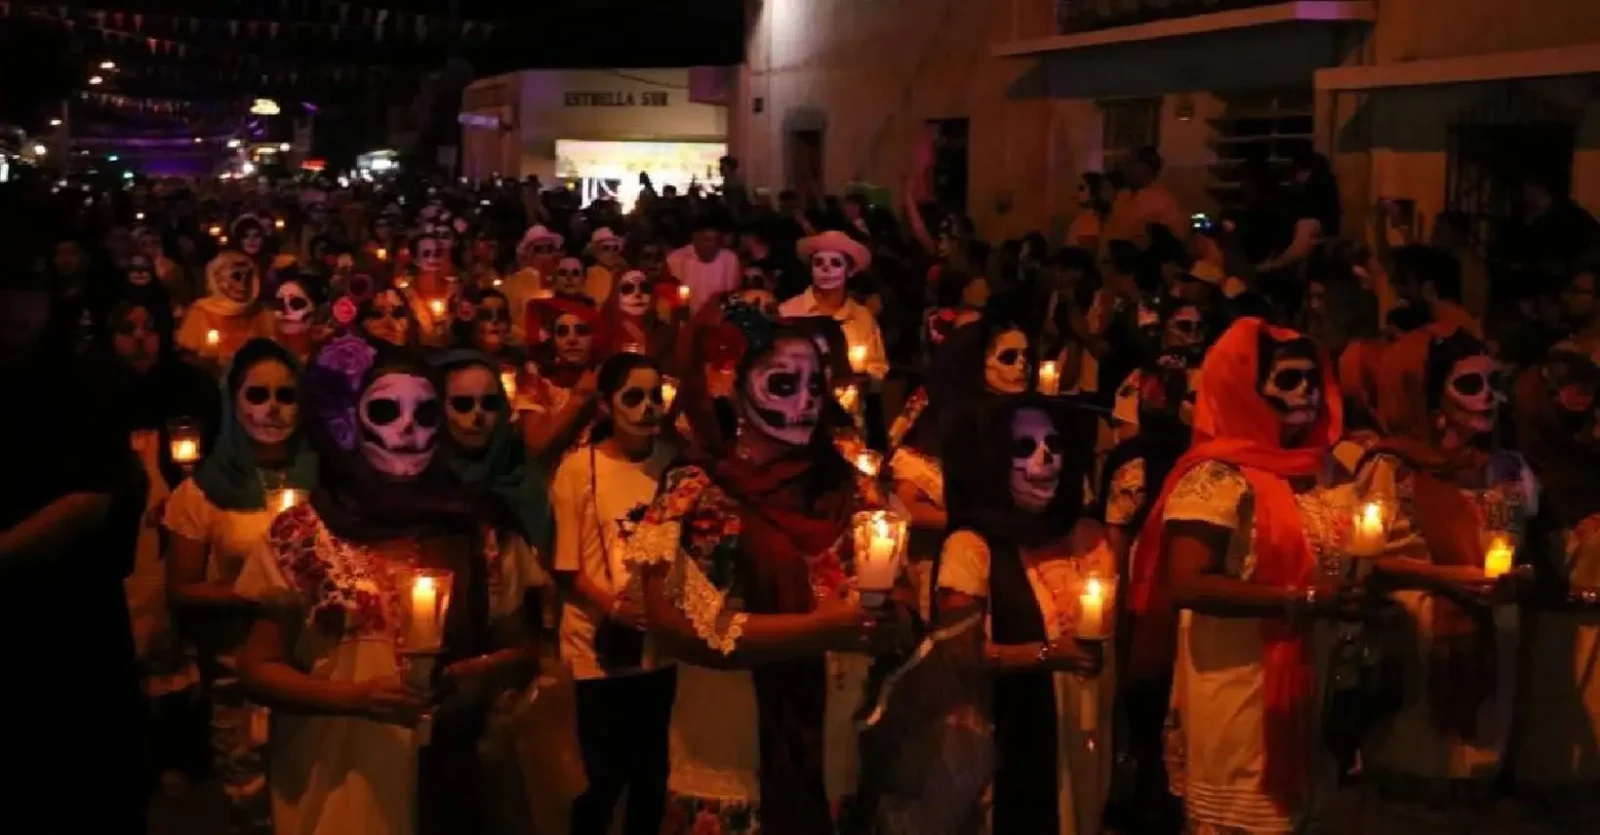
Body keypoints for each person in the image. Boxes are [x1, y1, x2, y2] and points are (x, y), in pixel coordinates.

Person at [623, 310, 911, 833]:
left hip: (832, 757)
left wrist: (888, 622)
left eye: (815, 387)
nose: (805, 403)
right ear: (731, 388)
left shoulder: (853, 488)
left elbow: (902, 606)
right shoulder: (695, 492)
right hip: (729, 758)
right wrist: (819, 629)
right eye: (782, 384)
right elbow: (675, 626)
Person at [235, 339, 478, 835]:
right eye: (386, 411)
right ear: (347, 423)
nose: (408, 429)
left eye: (425, 413)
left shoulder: (476, 527)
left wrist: (483, 673)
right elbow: (257, 668)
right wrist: (355, 698)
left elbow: (524, 645)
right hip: (337, 781)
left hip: (451, 783)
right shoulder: (301, 535)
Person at [1130, 317, 1355, 833]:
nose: (1307, 393)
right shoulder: (1217, 477)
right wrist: (1297, 599)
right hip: (1237, 693)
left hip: (1309, 687)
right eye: (1288, 380)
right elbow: (1187, 582)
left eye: (1313, 379)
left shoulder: (1325, 472)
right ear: (1243, 389)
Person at [1355, 329, 1534, 834]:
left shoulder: (1507, 468)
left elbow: (1521, 549)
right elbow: (1367, 560)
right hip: (1417, 637)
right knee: (1413, 789)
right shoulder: (1393, 467)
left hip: (1492, 633)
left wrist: (1519, 578)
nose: (1488, 397)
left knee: (1472, 790)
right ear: (1432, 399)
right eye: (1469, 385)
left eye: (1494, 384)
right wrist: (1447, 577)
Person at [0, 262, 150, 832]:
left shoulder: (83, 380)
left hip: (72, 622)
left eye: (22, 291)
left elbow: (90, 498)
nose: (9, 310)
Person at [936, 397, 1114, 833]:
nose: (1046, 457)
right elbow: (958, 654)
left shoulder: (1086, 536)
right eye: (1024, 447)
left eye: (1054, 443)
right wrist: (1047, 655)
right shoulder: (971, 548)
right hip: (1014, 741)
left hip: (1084, 731)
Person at [164, 338, 319, 835]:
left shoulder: (326, 480)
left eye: (285, 395)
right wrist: (248, 592)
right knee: (251, 807)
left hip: (315, 671)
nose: (272, 409)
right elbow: (181, 589)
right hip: (238, 673)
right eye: (257, 395)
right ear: (234, 402)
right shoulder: (202, 492)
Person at [553, 354, 679, 835]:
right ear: (606, 404)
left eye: (655, 396)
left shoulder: (671, 463)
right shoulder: (578, 469)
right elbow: (567, 564)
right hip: (597, 643)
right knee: (603, 777)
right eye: (634, 397)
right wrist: (612, 606)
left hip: (659, 644)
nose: (648, 408)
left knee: (652, 775)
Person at [779, 230, 890, 383]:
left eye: (836, 263)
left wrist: (860, 379)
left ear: (850, 271)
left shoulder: (862, 316)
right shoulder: (788, 311)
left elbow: (878, 367)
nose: (826, 269)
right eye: (819, 263)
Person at [666, 214, 739, 315]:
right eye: (708, 240)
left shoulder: (729, 259)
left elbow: (733, 295)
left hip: (719, 318)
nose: (713, 245)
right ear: (695, 238)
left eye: (717, 241)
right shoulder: (676, 259)